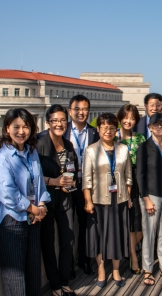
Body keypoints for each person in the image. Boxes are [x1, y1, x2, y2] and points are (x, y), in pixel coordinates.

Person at [0, 108, 50, 296]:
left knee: (33, 270)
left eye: (26, 126)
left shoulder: (31, 152)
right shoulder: (1, 159)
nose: (21, 131)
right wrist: (34, 209)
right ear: (7, 129)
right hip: (11, 222)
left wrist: (42, 205)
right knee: (15, 277)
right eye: (16, 127)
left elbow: (39, 183)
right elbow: (8, 194)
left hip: (33, 218)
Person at [83, 113, 133, 288]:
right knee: (100, 236)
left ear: (116, 130)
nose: (108, 131)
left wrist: (127, 196)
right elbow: (86, 179)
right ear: (98, 129)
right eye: (104, 127)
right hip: (99, 200)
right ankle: (102, 268)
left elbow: (128, 175)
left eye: (112, 128)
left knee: (118, 235)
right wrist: (87, 200)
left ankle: (117, 270)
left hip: (119, 200)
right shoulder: (90, 150)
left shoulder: (123, 149)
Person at [36, 104, 78, 296]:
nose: (59, 124)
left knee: (67, 240)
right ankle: (54, 285)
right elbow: (32, 176)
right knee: (48, 242)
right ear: (48, 123)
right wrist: (54, 181)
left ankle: (64, 280)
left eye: (63, 120)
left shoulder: (68, 145)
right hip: (46, 201)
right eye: (55, 120)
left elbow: (73, 170)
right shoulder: (39, 144)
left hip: (65, 198)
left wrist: (70, 181)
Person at [136, 113, 162, 286]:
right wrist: (145, 199)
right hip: (151, 196)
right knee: (150, 234)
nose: (160, 127)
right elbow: (140, 175)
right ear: (150, 127)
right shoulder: (144, 147)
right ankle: (147, 270)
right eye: (156, 124)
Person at [67, 95, 99, 276]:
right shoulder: (63, 131)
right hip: (66, 184)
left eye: (85, 109)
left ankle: (84, 260)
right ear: (70, 111)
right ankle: (68, 263)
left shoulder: (94, 133)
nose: (81, 112)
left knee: (86, 224)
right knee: (68, 226)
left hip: (87, 185)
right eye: (77, 109)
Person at [114, 104, 146, 274]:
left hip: (138, 180)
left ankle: (128, 249)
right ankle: (133, 257)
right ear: (120, 118)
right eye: (126, 117)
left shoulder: (140, 138)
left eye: (132, 118)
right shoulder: (113, 137)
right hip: (119, 181)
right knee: (127, 221)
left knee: (138, 223)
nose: (129, 121)